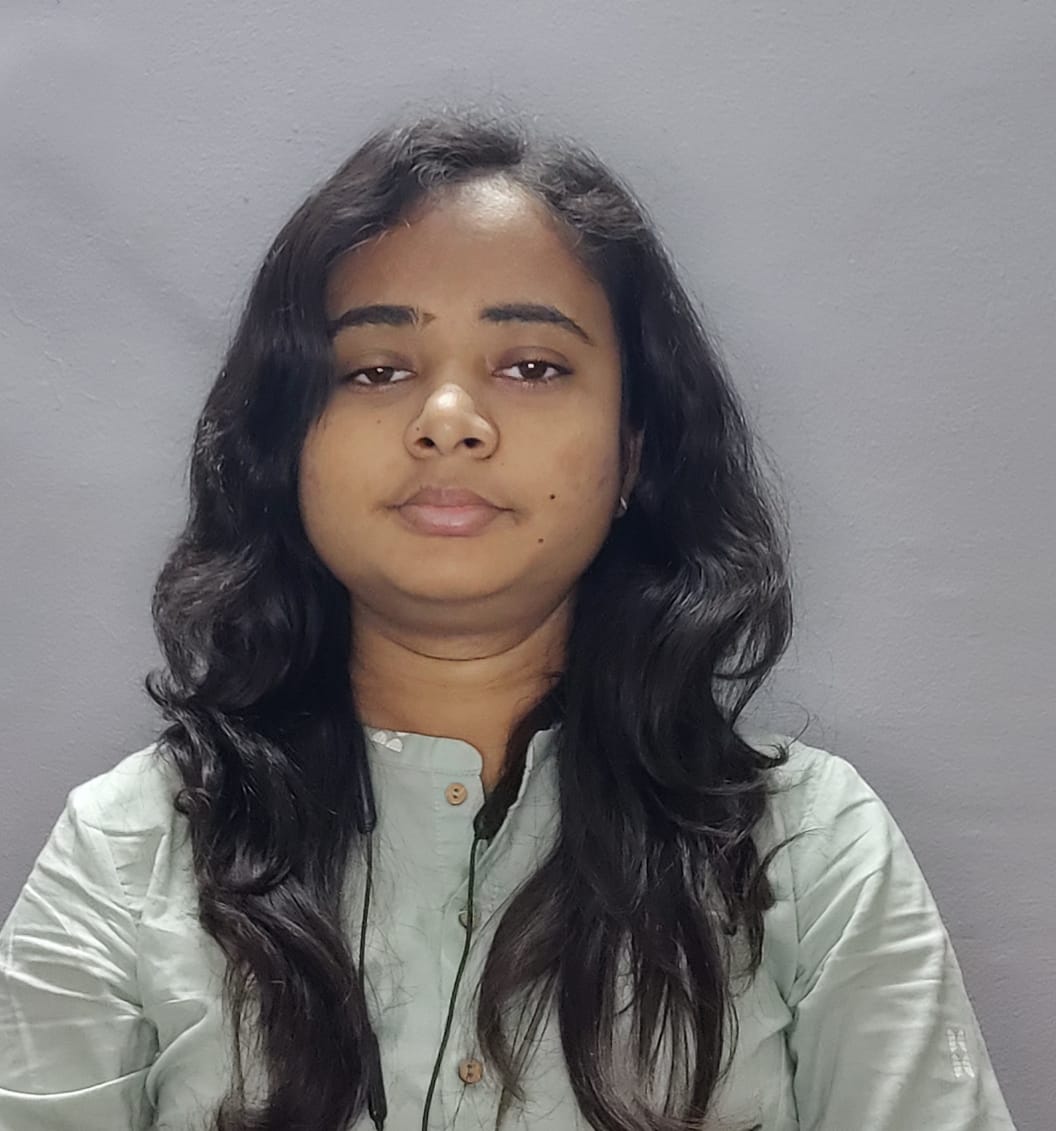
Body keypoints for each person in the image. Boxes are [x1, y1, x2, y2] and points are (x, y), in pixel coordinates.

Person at [0, 109, 1018, 1131]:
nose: (448, 420)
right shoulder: (129, 852)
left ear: (633, 449)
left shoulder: (807, 850)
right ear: (288, 445)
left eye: (532, 366)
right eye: (376, 369)